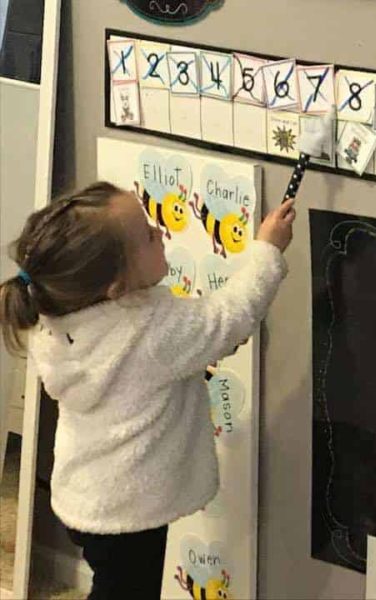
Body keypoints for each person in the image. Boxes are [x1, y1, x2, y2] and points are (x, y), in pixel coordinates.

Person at [0, 181, 295, 599]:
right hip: (129, 512)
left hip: (85, 498)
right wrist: (267, 250)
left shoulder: (55, 318)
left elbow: (206, 333)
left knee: (113, 584)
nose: (159, 231)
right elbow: (230, 317)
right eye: (146, 235)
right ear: (116, 287)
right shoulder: (149, 331)